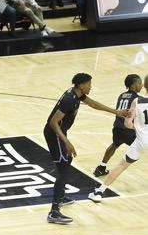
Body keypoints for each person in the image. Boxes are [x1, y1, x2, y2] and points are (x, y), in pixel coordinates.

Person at [44, 73, 129, 224]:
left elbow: (94, 104)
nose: (91, 86)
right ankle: (54, 211)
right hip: (55, 134)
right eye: (89, 84)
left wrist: (117, 112)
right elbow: (53, 122)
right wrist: (67, 142)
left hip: (59, 134)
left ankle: (61, 196)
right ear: (81, 85)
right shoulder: (70, 99)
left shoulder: (77, 95)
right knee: (63, 170)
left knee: (67, 161)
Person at [89, 91, 148, 202]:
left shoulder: (137, 101)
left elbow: (127, 124)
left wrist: (139, 129)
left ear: (145, 86)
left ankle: (99, 192)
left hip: (141, 142)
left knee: (121, 166)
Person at [93, 74, 142, 177]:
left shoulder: (122, 95)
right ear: (133, 85)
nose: (141, 85)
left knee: (114, 144)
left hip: (117, 129)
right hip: (129, 131)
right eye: (139, 83)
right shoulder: (137, 99)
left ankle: (101, 167)